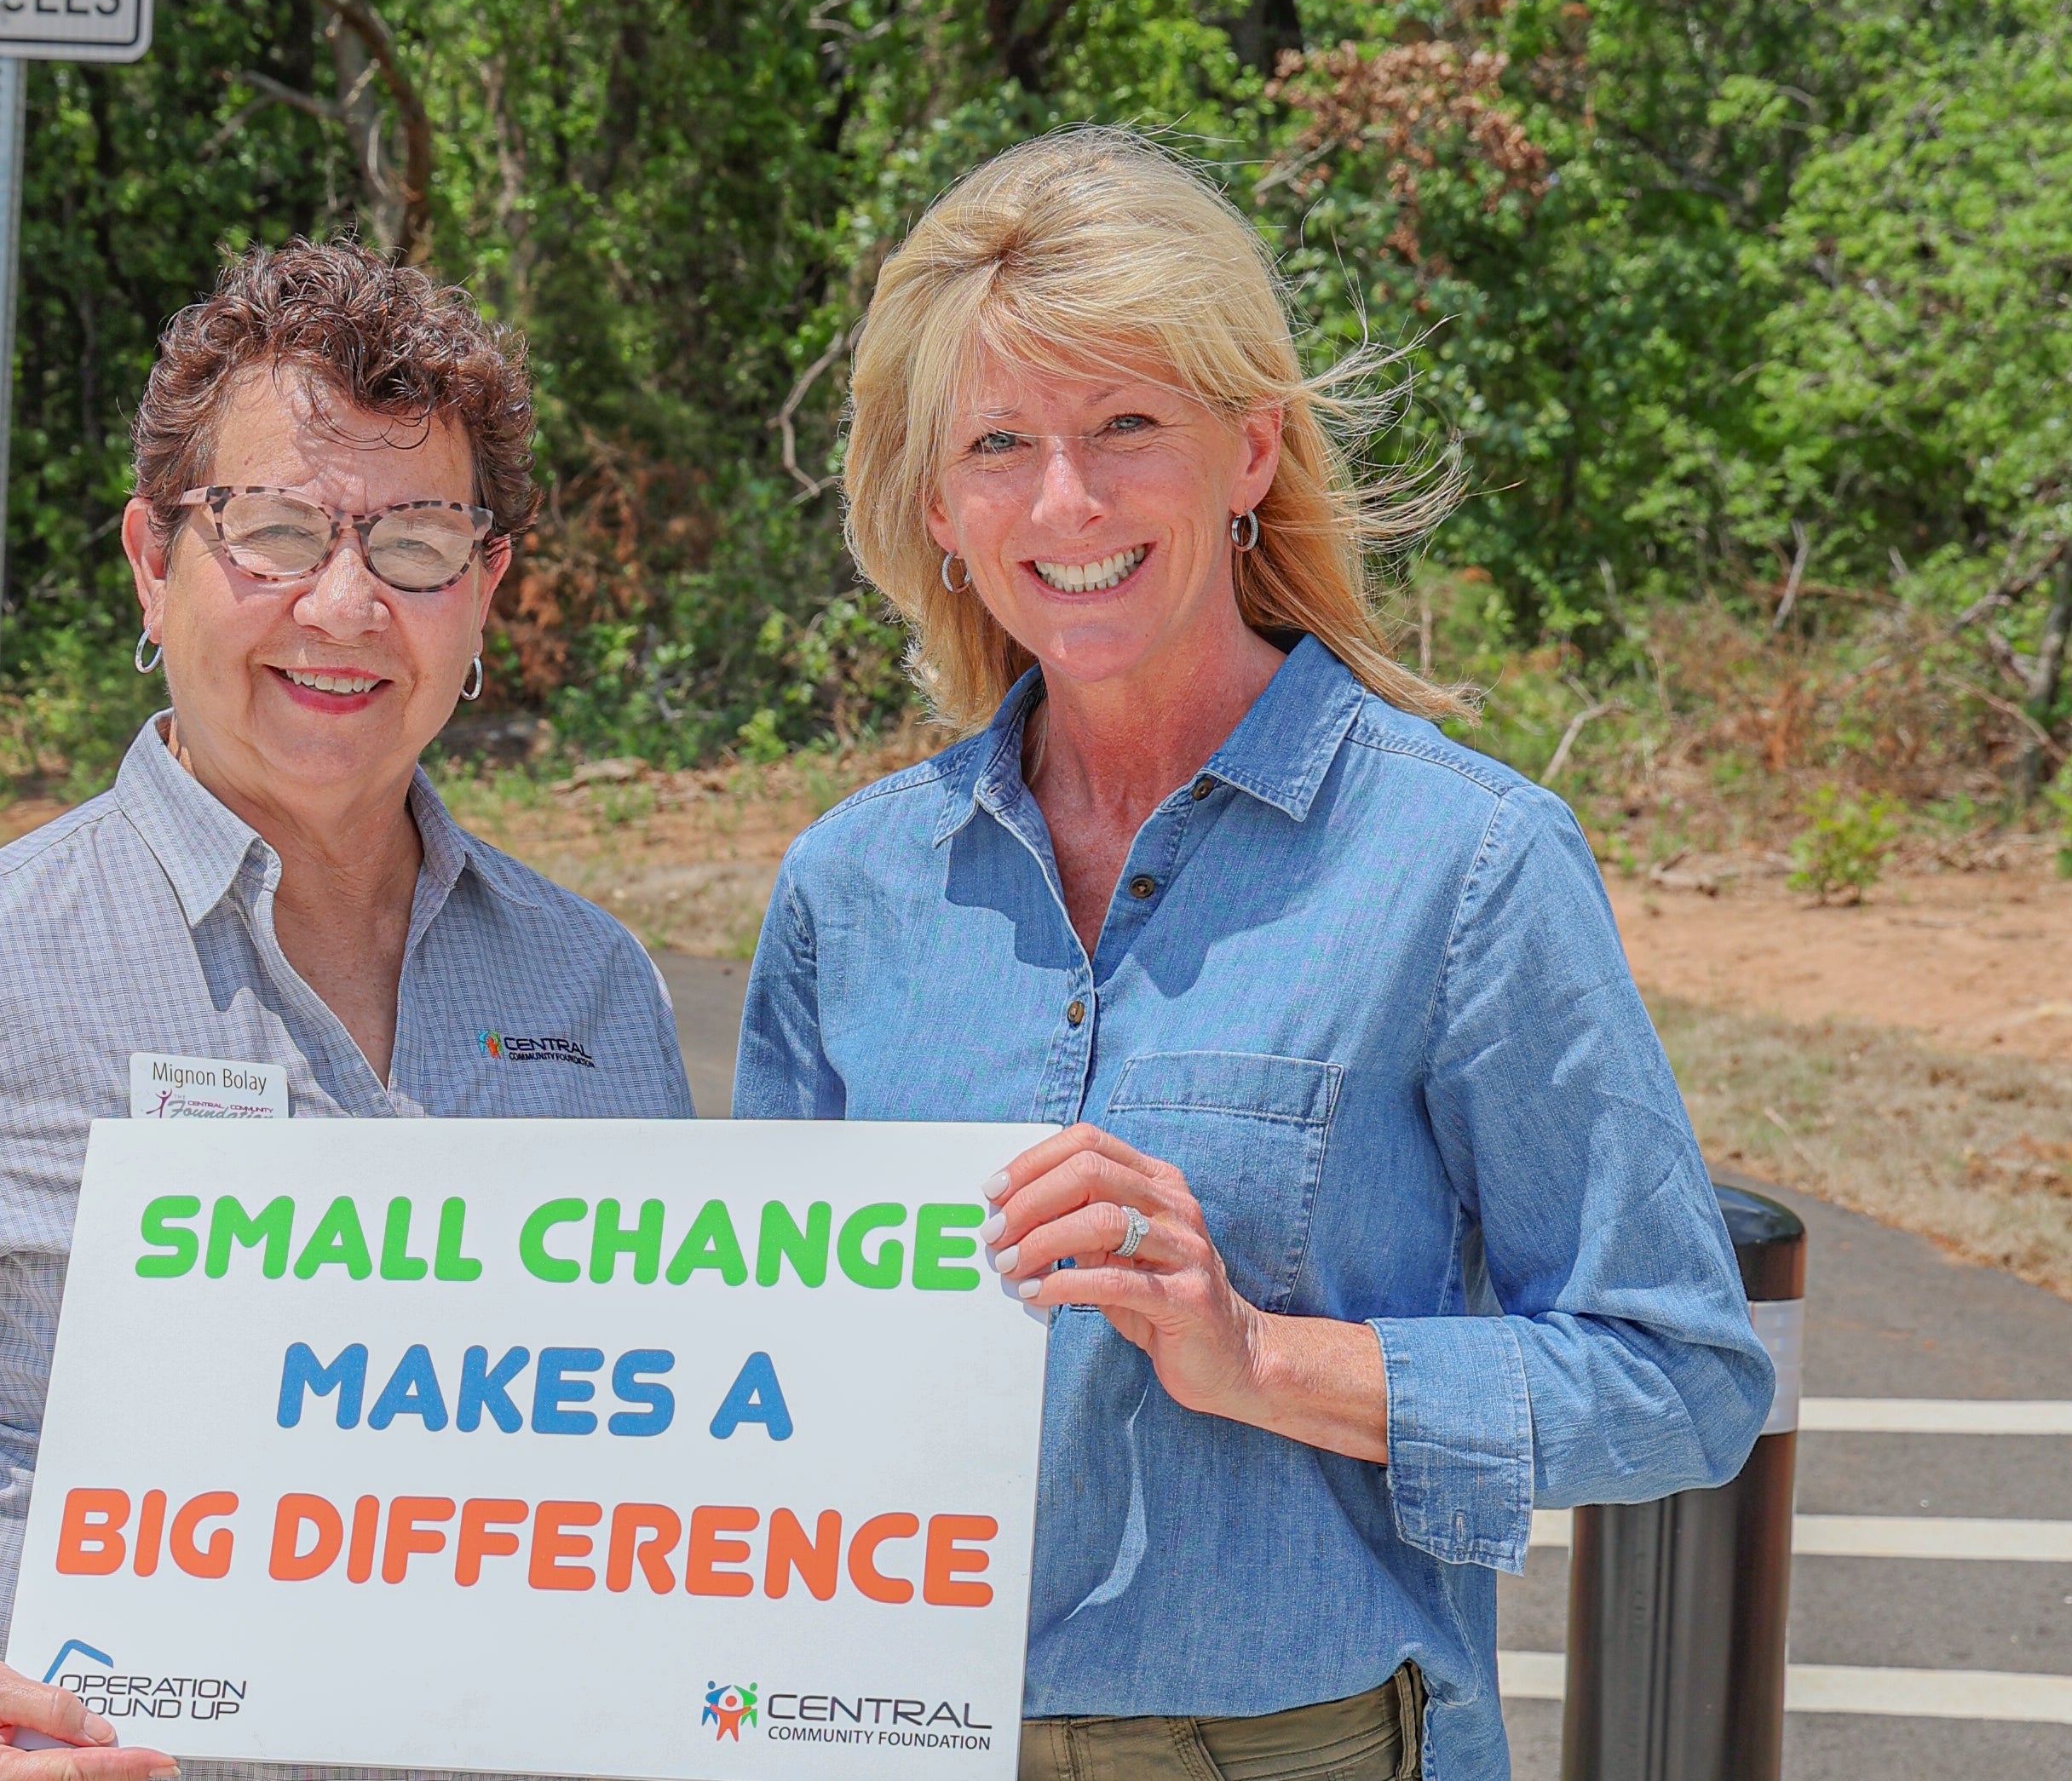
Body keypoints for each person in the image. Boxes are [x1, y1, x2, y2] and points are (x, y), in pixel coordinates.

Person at [734, 130, 1771, 1781]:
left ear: (1249, 452)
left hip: (1303, 1745)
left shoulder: (1467, 863)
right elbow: (761, 1378)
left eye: (1125, 425)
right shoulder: (850, 887)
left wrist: (1265, 1356)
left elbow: (1679, 1379)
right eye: (1000, 441)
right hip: (894, 1737)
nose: (1064, 500)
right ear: (938, 504)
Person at [0, 241, 694, 1781]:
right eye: (273, 530)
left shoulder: (593, 987)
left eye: (415, 541)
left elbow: (670, 1454)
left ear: (486, 586)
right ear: (155, 560)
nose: (343, 605)